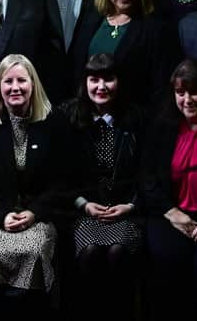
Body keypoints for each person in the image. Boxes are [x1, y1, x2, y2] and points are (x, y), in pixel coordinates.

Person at [0, 54, 72, 320]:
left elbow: (62, 180)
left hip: (37, 214)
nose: (15, 87)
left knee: (32, 252)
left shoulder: (53, 120)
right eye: (8, 81)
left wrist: (34, 212)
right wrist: (1, 215)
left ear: (33, 84)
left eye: (21, 80)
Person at [58, 53, 144, 321]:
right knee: (91, 252)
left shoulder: (137, 118)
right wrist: (83, 204)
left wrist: (131, 205)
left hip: (128, 211)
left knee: (118, 252)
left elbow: (150, 173)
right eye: (94, 80)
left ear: (119, 81)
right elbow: (58, 174)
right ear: (85, 83)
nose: (101, 87)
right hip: (83, 212)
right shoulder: (67, 117)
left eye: (109, 79)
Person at [143, 58, 197, 321]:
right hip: (169, 215)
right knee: (167, 261)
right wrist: (172, 213)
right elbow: (146, 180)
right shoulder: (161, 128)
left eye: (194, 92)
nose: (187, 99)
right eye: (180, 93)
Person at [72, 0, 182, 107]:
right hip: (86, 118)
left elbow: (161, 88)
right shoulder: (89, 18)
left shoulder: (157, 30)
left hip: (130, 123)